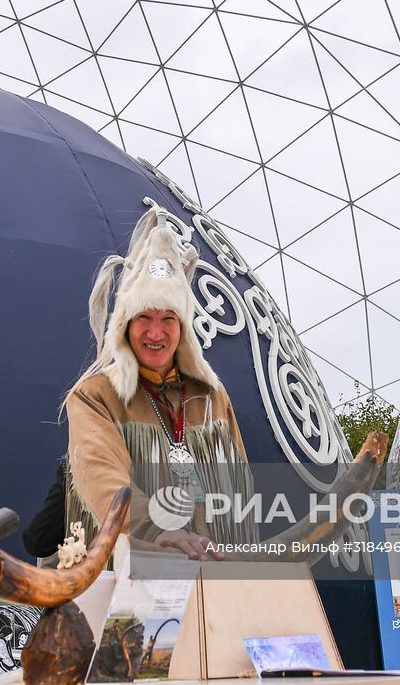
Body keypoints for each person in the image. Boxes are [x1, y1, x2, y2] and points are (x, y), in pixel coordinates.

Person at [64, 208, 252, 559]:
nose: (155, 332)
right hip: (130, 579)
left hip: (216, 573)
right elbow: (100, 475)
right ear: (124, 324)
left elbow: (239, 488)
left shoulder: (212, 397)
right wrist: (156, 527)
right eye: (144, 318)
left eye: (168, 318)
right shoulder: (95, 396)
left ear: (182, 327)